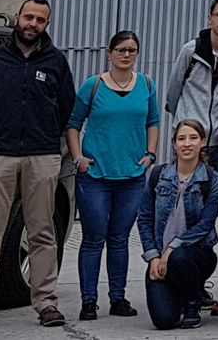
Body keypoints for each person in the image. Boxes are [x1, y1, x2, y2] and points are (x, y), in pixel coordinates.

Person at [0, 0, 76, 335]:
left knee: (41, 232)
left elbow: (66, 108)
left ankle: (46, 302)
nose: (32, 24)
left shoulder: (55, 63)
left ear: (46, 25)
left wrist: (45, 141)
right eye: (28, 17)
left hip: (41, 158)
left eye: (40, 20)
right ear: (17, 18)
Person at [67, 30, 160, 321]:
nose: (126, 54)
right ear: (109, 53)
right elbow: (73, 123)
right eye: (121, 49)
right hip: (95, 175)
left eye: (132, 49)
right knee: (94, 237)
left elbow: (153, 121)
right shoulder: (92, 86)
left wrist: (150, 156)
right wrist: (78, 159)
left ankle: (118, 298)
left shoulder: (146, 84)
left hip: (131, 176)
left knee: (120, 238)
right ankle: (88, 301)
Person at [138, 120, 218, 330]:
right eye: (181, 138)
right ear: (174, 144)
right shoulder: (157, 175)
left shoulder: (211, 178)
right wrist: (153, 257)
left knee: (179, 256)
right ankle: (180, 295)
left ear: (202, 142)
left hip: (196, 256)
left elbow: (206, 223)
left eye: (193, 138)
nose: (187, 144)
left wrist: (173, 247)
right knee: (164, 320)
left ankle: (193, 302)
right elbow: (145, 219)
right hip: (160, 258)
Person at [165, 0, 218, 183]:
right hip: (189, 139)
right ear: (210, 18)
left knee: (212, 196)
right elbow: (173, 92)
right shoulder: (191, 51)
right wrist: (185, 118)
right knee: (179, 192)